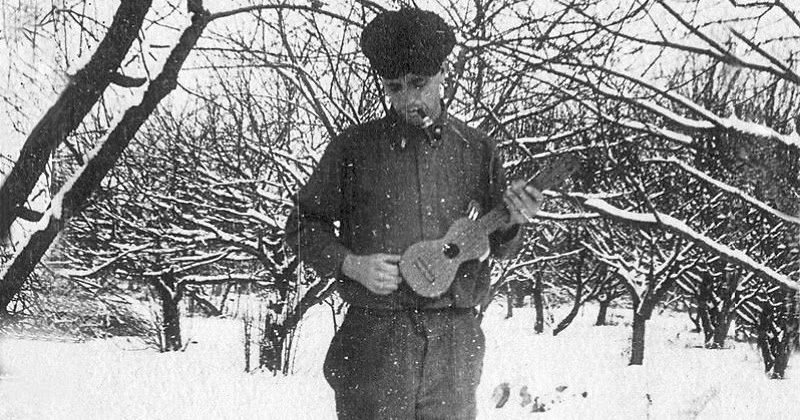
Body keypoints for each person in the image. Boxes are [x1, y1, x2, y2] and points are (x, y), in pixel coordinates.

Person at [284, 8, 543, 419]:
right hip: (376, 341)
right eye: (394, 87)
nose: (408, 100)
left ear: (442, 74)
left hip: (454, 346)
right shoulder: (355, 149)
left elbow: (499, 243)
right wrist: (351, 264)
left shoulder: (477, 150)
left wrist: (515, 221)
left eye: (419, 83)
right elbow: (301, 225)